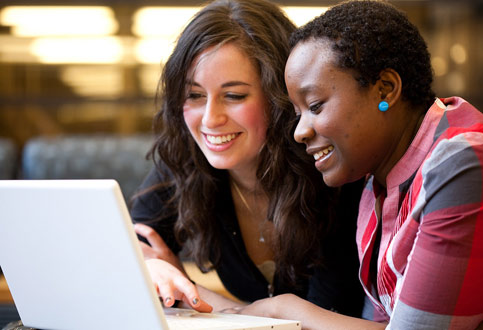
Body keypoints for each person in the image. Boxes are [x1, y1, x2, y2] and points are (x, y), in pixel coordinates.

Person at [237, 0, 483, 329]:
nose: (299, 132)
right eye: (298, 112)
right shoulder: (379, 178)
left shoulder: (464, 163)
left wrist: (285, 309)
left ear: (385, 88)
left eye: (315, 105)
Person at [131, 0, 364, 316]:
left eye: (234, 96)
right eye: (195, 96)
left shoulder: (332, 175)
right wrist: (152, 267)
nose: (210, 119)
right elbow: (129, 252)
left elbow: (324, 317)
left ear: (280, 98)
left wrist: (189, 288)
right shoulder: (187, 164)